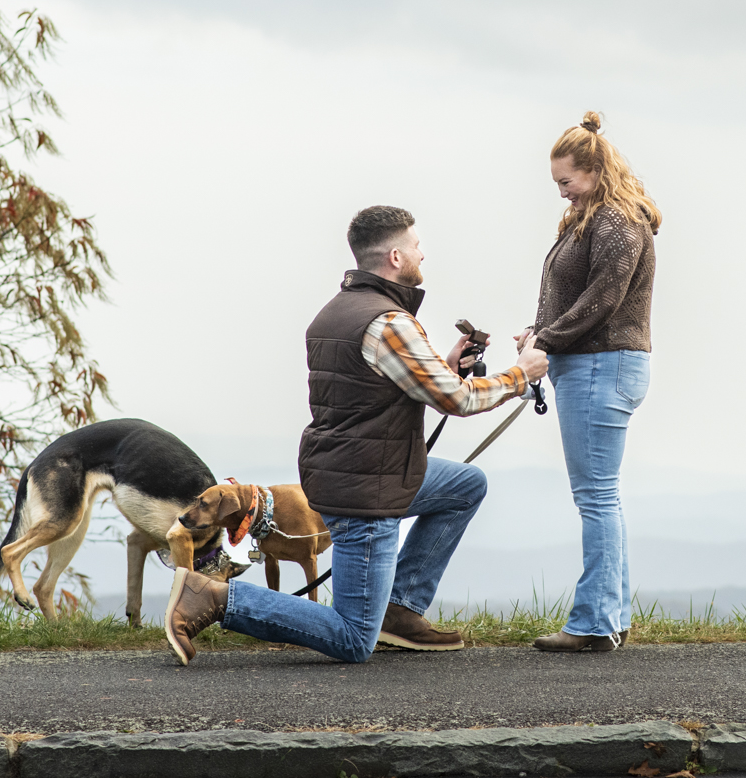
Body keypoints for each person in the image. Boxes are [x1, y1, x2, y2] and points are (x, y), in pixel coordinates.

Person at [163, 205, 550, 665]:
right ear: (394, 257)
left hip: (350, 470)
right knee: (352, 639)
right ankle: (215, 597)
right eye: (416, 246)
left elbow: (370, 394)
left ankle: (400, 609)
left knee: (466, 485)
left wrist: (445, 367)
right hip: (368, 488)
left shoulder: (335, 313)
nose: (422, 253)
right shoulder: (389, 323)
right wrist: (519, 375)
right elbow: (457, 401)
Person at [516, 111, 660, 653]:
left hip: (602, 364)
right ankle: (610, 617)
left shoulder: (617, 221)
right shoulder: (590, 218)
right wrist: (539, 331)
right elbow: (572, 295)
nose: (561, 192)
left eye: (566, 181)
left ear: (595, 171)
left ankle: (594, 623)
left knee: (595, 496)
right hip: (593, 363)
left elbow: (603, 300)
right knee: (601, 495)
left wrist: (545, 342)